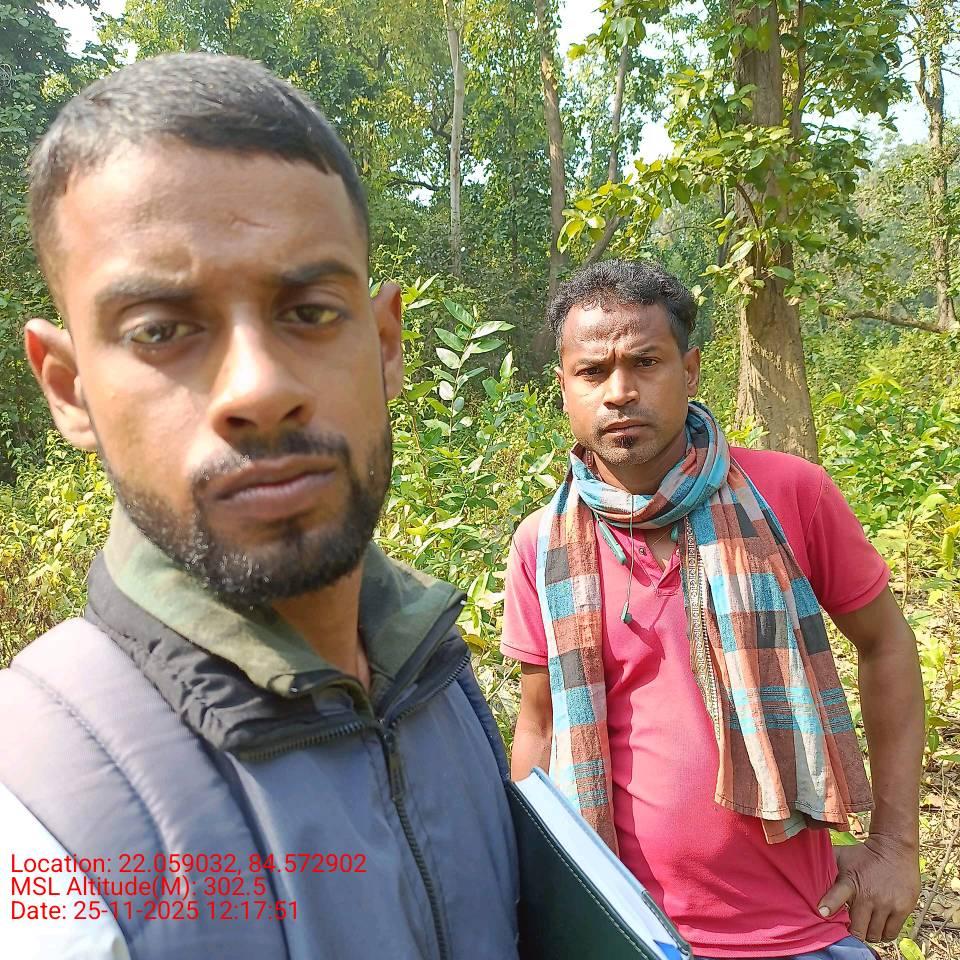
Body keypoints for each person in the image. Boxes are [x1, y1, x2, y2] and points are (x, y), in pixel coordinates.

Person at [0, 53, 518, 959]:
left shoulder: (434, 675)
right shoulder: (38, 818)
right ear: (70, 389)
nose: (260, 388)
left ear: (385, 345)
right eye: (162, 330)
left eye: (310, 312)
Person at [503, 259, 924, 960]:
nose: (620, 392)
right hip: (622, 933)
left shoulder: (790, 495)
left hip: (798, 931)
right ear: (564, 387)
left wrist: (894, 844)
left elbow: (887, 645)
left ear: (691, 370)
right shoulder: (542, 545)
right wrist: (537, 897)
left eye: (646, 362)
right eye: (592, 372)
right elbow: (539, 728)